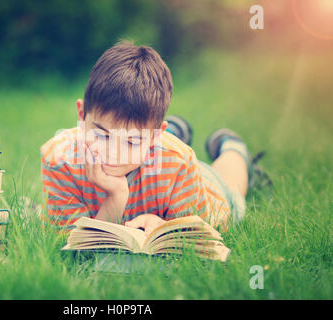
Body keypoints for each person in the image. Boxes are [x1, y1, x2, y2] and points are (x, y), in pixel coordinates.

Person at [40, 41, 267, 235]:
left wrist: (165, 227)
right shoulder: (60, 159)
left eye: (131, 141)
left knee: (230, 188)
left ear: (156, 135)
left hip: (188, 181)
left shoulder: (179, 163)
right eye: (101, 134)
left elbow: (194, 239)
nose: (112, 152)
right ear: (82, 115)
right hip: (154, 160)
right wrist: (116, 197)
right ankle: (176, 129)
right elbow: (74, 245)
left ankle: (232, 146)